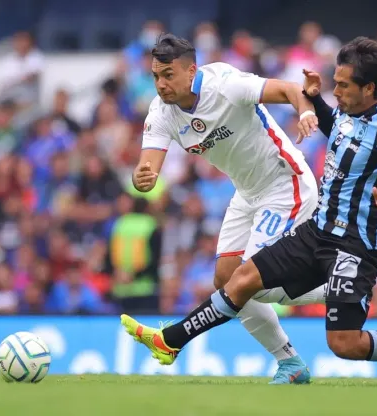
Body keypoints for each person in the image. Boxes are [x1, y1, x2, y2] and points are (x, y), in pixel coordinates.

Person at [123, 36, 377, 387]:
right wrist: (313, 100)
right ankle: (173, 342)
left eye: (342, 85)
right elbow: (336, 128)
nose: (336, 91)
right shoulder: (350, 107)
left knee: (343, 344)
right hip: (315, 227)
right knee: (236, 279)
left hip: (346, 237)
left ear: (369, 87)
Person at [127, 34, 328, 384]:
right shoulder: (161, 113)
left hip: (284, 184)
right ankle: (291, 364)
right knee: (225, 281)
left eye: (169, 75)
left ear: (191, 71)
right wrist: (141, 177)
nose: (161, 84)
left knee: (247, 283)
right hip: (246, 193)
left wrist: (306, 110)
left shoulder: (225, 84)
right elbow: (147, 167)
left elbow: (289, 90)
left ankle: (340, 287)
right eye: (156, 75)